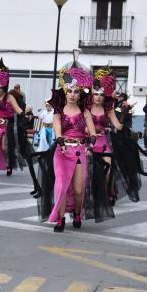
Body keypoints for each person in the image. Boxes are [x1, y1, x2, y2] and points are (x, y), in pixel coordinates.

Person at [43, 64, 97, 230]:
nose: (72, 94)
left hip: (80, 152)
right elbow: (57, 128)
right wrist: (59, 140)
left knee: (79, 189)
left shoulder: (85, 111)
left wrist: (90, 144)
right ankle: (60, 219)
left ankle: (78, 212)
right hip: (62, 151)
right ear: (65, 92)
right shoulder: (58, 111)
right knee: (61, 186)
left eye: (76, 91)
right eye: (70, 91)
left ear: (80, 93)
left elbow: (93, 133)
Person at [0, 58, 28, 177]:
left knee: (4, 147)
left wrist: (24, 114)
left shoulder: (9, 97)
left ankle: (9, 165)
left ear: (4, 87)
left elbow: (18, 109)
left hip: (8, 125)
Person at [90, 69, 123, 205]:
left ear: (104, 96)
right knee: (88, 171)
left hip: (104, 142)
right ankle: (90, 194)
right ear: (92, 95)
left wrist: (124, 121)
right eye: (96, 94)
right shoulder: (86, 109)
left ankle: (108, 193)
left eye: (101, 94)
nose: (98, 97)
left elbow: (117, 124)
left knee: (108, 170)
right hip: (89, 143)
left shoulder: (108, 109)